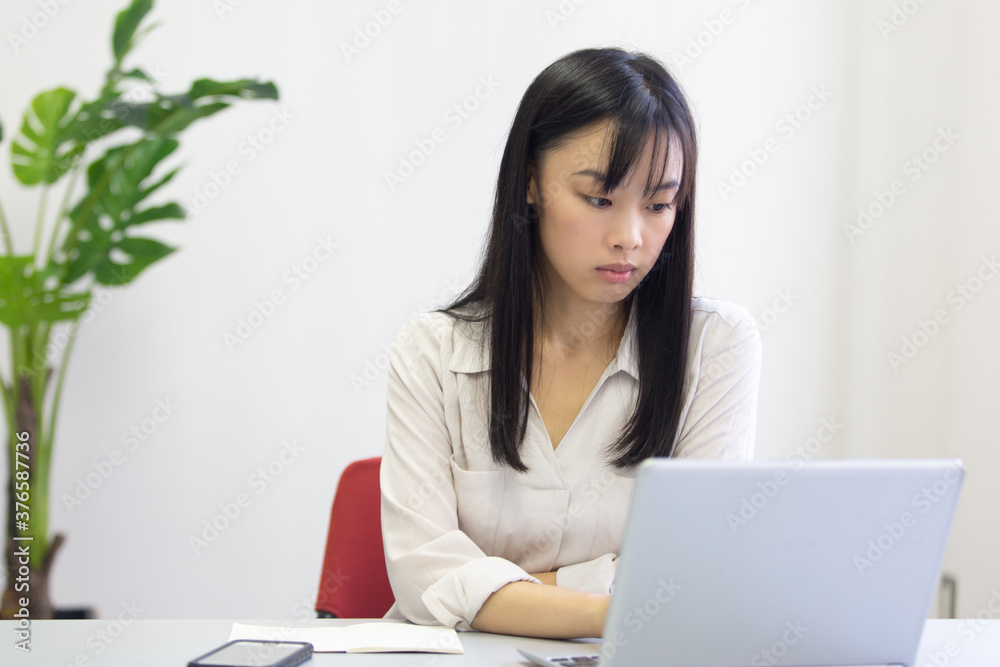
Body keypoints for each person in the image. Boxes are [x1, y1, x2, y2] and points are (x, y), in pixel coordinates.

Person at [378, 47, 762, 640]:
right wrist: (613, 609)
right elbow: (420, 574)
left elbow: (693, 571)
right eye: (598, 199)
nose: (629, 237)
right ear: (531, 184)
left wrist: (493, 591)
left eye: (659, 204)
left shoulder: (715, 347)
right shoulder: (433, 351)